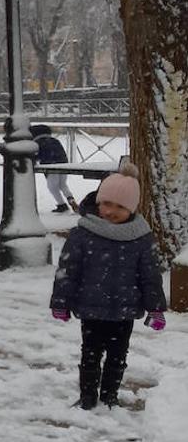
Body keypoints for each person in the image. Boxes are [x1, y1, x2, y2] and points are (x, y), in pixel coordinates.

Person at [50, 173, 167, 409]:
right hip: (91, 308)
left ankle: (109, 397)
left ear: (132, 209)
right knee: (90, 355)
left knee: (117, 356)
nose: (111, 211)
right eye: (106, 204)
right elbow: (68, 270)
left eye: (120, 206)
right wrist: (61, 301)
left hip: (124, 310)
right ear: (98, 202)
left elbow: (150, 277)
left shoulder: (140, 237)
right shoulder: (83, 234)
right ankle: (87, 398)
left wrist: (155, 309)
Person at [33, 125, 76, 213]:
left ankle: (62, 205)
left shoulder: (38, 142)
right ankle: (70, 199)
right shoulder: (55, 140)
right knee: (63, 185)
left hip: (50, 166)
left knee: (52, 187)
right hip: (63, 164)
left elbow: (37, 156)